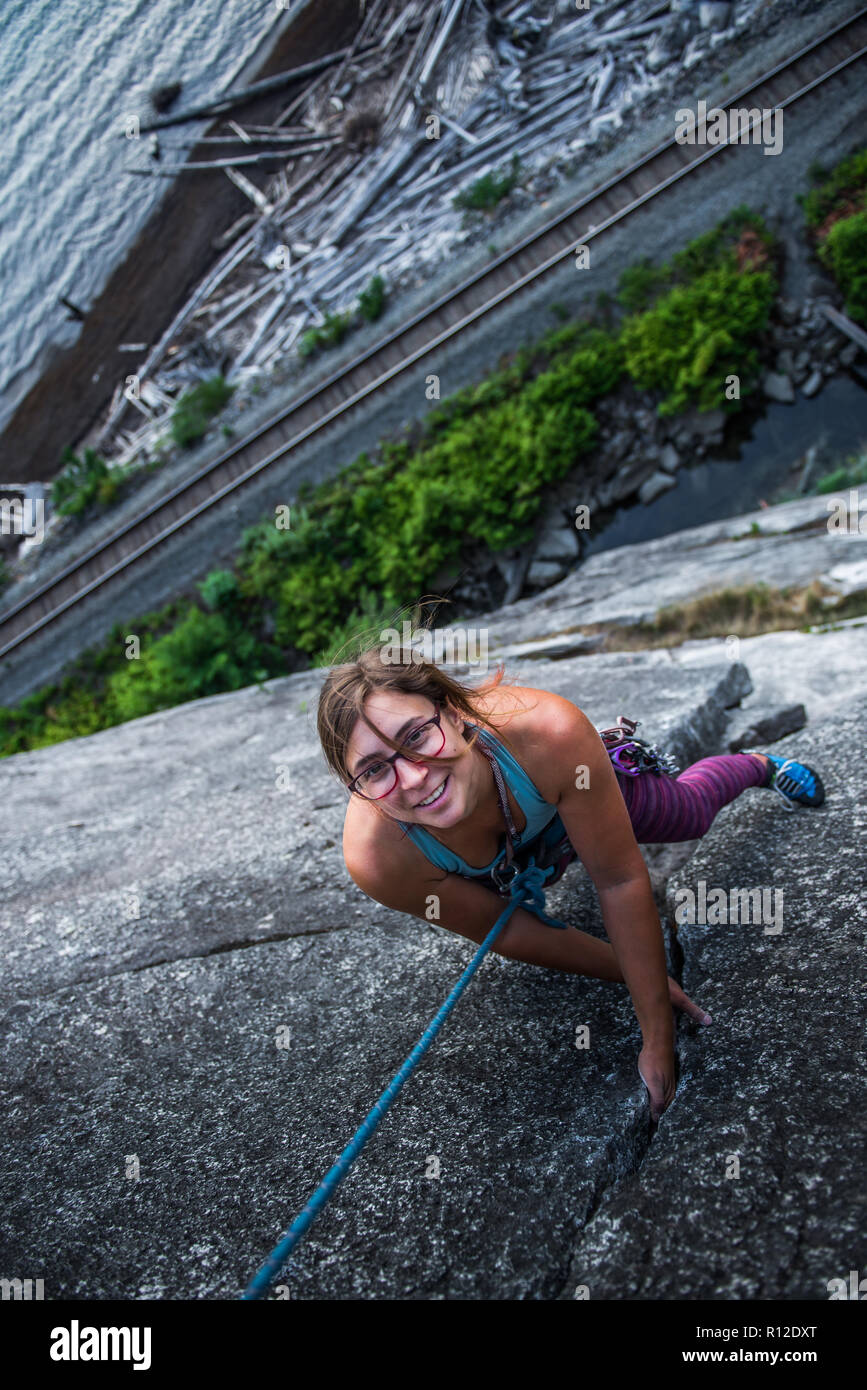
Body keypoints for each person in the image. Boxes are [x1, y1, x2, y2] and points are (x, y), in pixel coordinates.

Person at [316, 644, 825, 1121]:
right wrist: (641, 978)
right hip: (506, 866)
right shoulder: (380, 860)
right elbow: (508, 929)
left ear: (452, 712)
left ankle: (759, 765)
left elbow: (621, 880)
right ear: (354, 788)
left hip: (561, 794)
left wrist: (656, 1034)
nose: (414, 777)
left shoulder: (547, 733)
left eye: (417, 737)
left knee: (687, 813)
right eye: (375, 770)